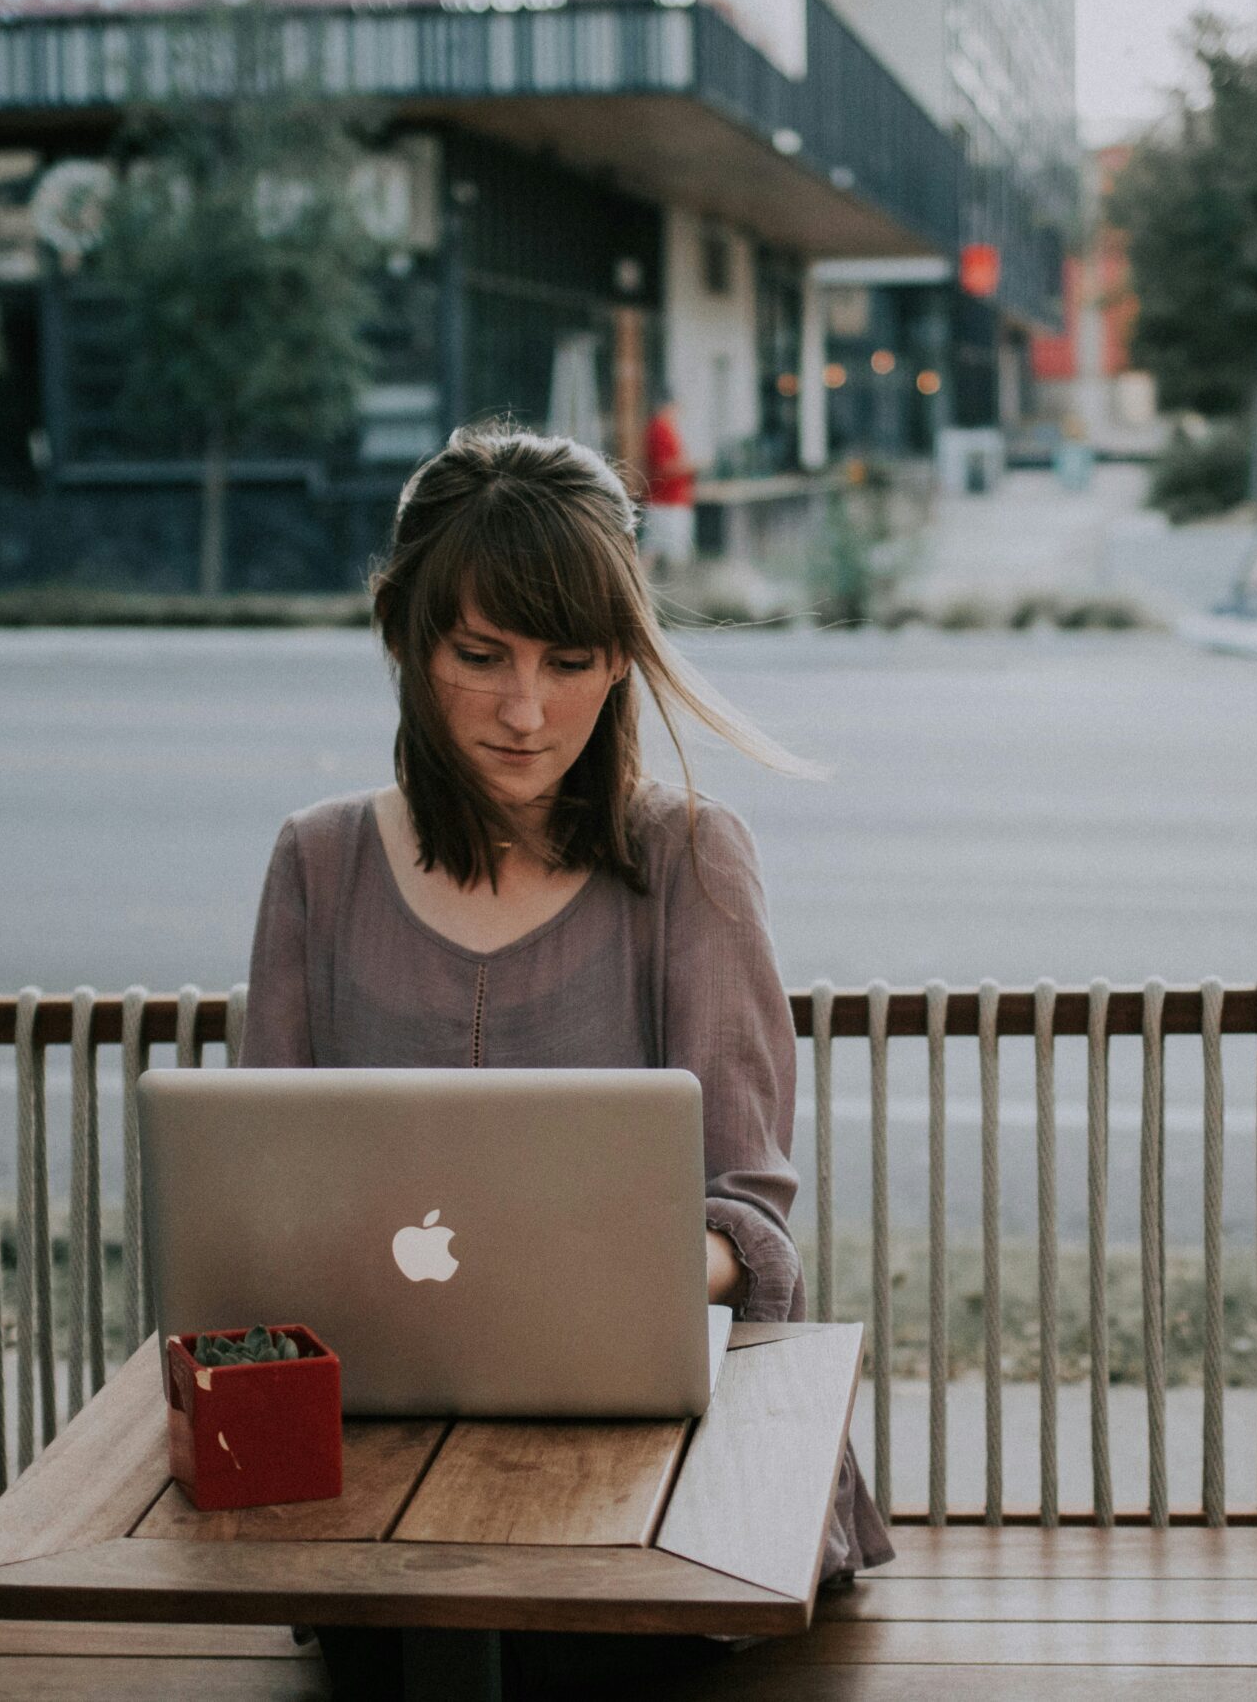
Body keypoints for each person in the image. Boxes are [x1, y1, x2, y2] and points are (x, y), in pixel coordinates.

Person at [239, 423, 891, 1699]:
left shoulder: (688, 859)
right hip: (378, 1473)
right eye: (479, 657)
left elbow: (750, 1225)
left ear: (621, 663)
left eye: (571, 660)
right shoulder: (319, 864)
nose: (526, 712)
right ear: (404, 638)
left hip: (656, 1477)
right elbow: (258, 1199)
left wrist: (588, 1275)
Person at [640, 394, 698, 579]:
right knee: (669, 551)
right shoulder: (660, 429)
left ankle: (644, 586)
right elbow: (663, 467)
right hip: (666, 501)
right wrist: (691, 466)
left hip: (669, 500)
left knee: (654, 548)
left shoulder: (664, 429)